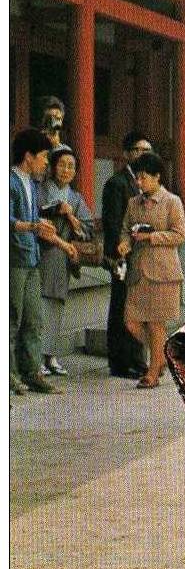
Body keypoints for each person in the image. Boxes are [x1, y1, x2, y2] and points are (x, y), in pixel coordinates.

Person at [121, 149, 185, 388]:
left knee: (156, 324)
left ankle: (152, 372)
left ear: (157, 177)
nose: (139, 182)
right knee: (132, 322)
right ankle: (161, 357)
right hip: (138, 272)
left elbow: (180, 235)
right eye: (137, 177)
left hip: (163, 272)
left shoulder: (172, 202)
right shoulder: (133, 203)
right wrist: (125, 242)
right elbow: (126, 229)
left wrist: (151, 237)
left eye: (144, 177)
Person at [10, 127, 61, 395]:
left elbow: (28, 219)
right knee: (11, 318)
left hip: (31, 257)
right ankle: (9, 375)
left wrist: (37, 223)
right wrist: (33, 226)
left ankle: (31, 372)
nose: (44, 163)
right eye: (42, 156)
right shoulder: (10, 181)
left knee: (33, 319)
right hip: (14, 258)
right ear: (28, 156)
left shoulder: (31, 183)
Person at [38, 144, 93, 377]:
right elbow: (36, 214)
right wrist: (55, 210)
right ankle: (37, 356)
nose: (66, 170)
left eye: (71, 166)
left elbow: (87, 229)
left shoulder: (76, 198)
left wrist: (70, 216)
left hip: (63, 257)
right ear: (52, 167)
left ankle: (51, 355)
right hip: (42, 253)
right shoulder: (40, 190)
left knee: (57, 306)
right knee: (39, 306)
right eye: (62, 164)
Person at [102, 132, 149, 378]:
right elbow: (112, 223)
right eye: (139, 150)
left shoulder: (146, 183)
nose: (144, 154)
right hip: (122, 254)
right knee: (121, 306)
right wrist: (118, 252)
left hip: (142, 254)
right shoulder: (116, 183)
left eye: (147, 150)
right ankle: (119, 362)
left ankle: (138, 359)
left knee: (139, 307)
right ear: (127, 154)